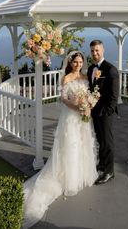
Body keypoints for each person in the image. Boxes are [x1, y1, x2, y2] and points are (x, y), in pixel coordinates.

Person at [22, 51, 98, 228]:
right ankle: (68, 177)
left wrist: (87, 106)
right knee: (70, 145)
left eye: (80, 61)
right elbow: (64, 99)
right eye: (75, 62)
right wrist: (77, 106)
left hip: (83, 119)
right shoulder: (66, 78)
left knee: (83, 144)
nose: (78, 64)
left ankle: (80, 173)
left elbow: (91, 95)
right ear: (70, 63)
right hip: (71, 117)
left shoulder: (86, 76)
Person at [87, 40, 119, 185]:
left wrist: (106, 112)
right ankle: (101, 164)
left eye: (97, 50)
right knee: (100, 140)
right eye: (93, 51)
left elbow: (114, 96)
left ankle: (109, 171)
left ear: (103, 50)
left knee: (108, 142)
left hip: (105, 113)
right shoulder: (90, 69)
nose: (95, 53)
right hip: (95, 112)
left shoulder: (110, 69)